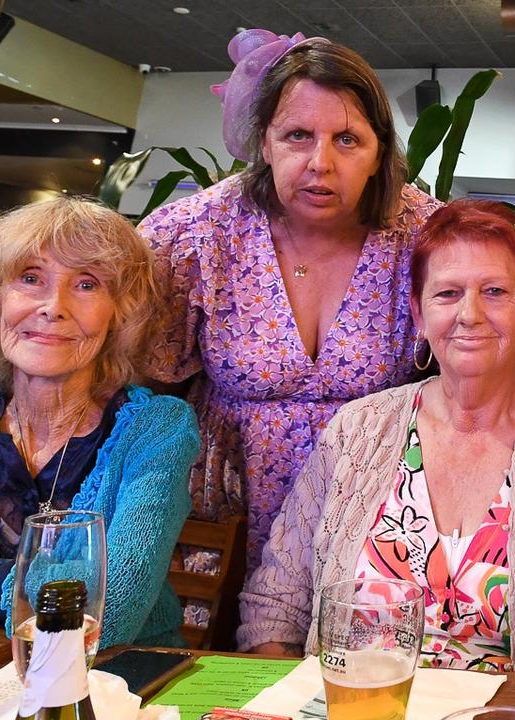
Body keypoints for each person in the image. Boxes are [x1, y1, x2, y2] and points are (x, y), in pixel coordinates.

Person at [238, 199, 515, 671]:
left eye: (495, 291)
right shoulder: (356, 431)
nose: (470, 314)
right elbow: (274, 607)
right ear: (418, 312)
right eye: (447, 294)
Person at [139, 29, 441, 571]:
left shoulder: (427, 235)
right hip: (225, 516)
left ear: (379, 153)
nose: (320, 162)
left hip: (379, 518)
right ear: (264, 143)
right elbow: (144, 386)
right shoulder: (197, 235)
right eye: (298, 135)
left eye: (348, 140)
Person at [0, 197, 198, 648]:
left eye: (87, 285)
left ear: (120, 313)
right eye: (30, 278)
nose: (53, 306)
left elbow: (109, 609)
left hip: (113, 682)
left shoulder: (160, 429)